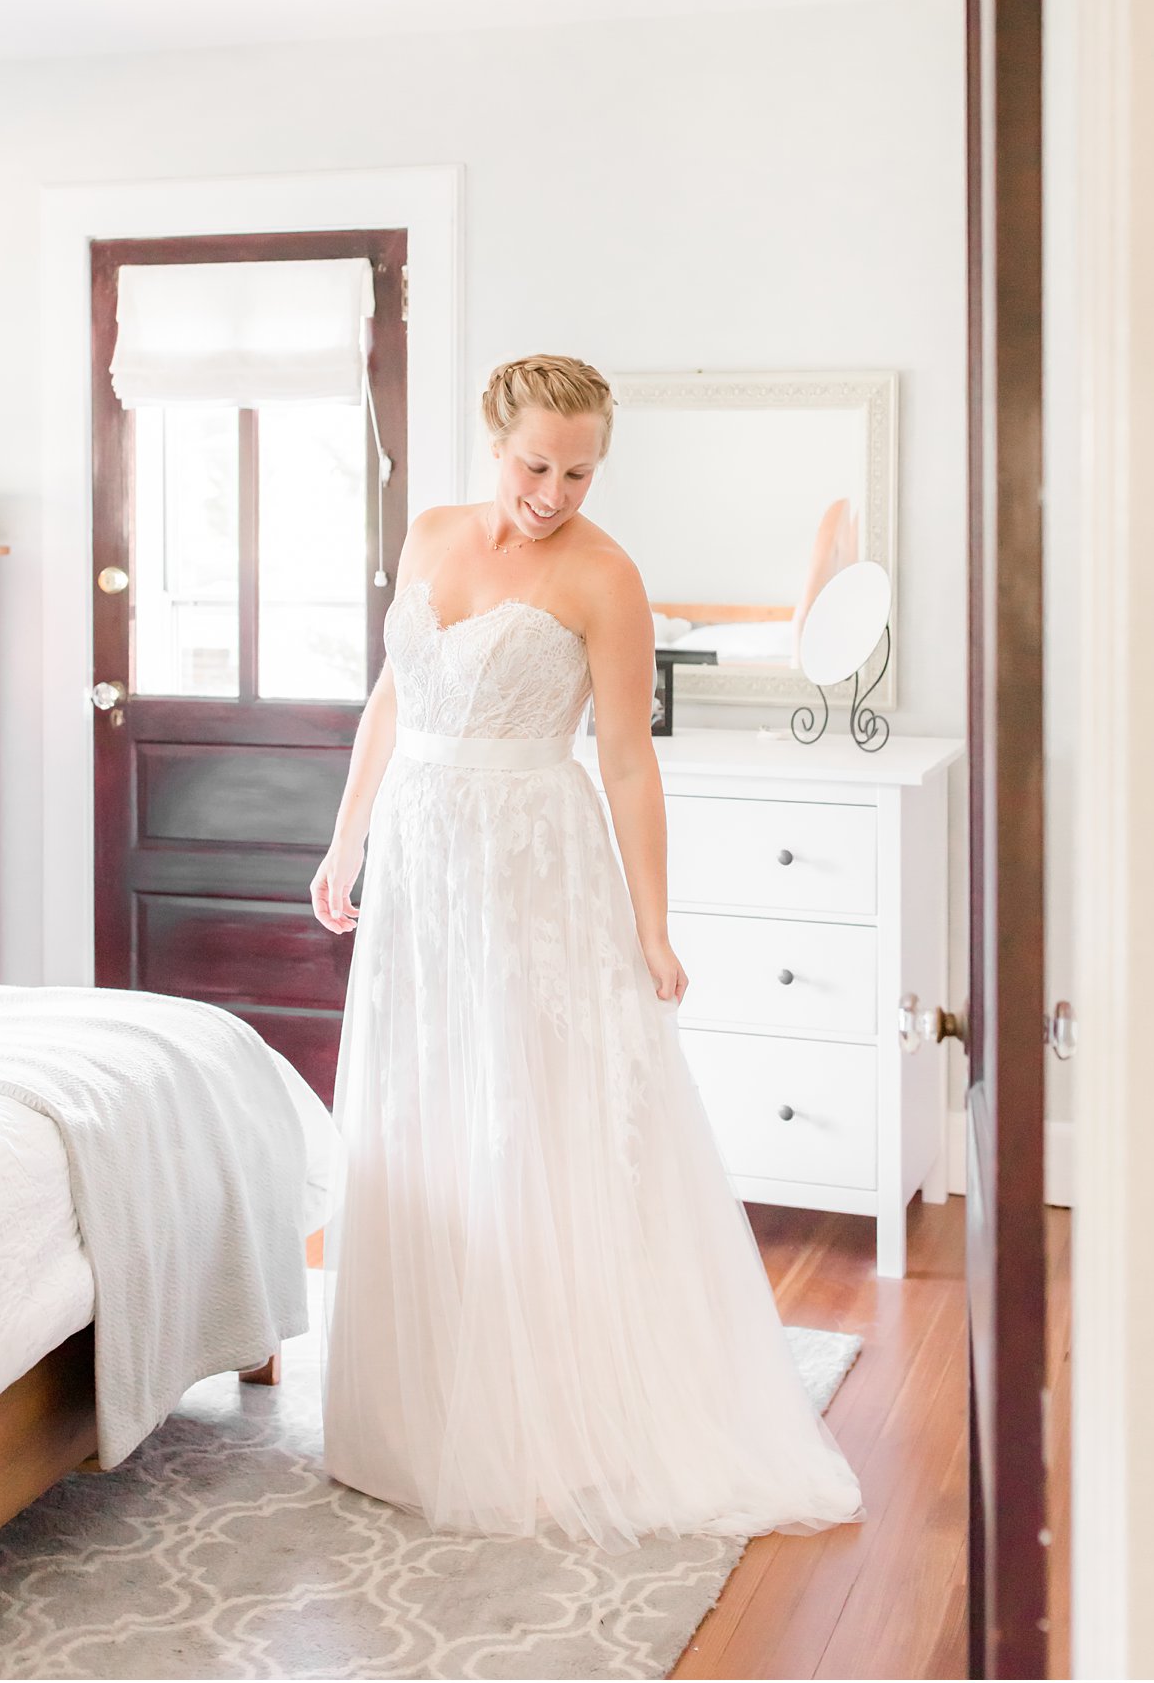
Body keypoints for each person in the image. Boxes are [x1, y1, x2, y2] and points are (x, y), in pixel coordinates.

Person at [309, 354, 864, 1550]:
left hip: (531, 865)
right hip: (421, 861)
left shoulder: (605, 575)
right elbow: (393, 703)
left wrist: (651, 926)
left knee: (526, 1119)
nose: (552, 491)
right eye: (532, 465)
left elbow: (624, 761)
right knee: (426, 1114)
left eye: (577, 470)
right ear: (491, 441)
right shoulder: (428, 535)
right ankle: (413, 1412)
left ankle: (545, 1424)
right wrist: (344, 845)